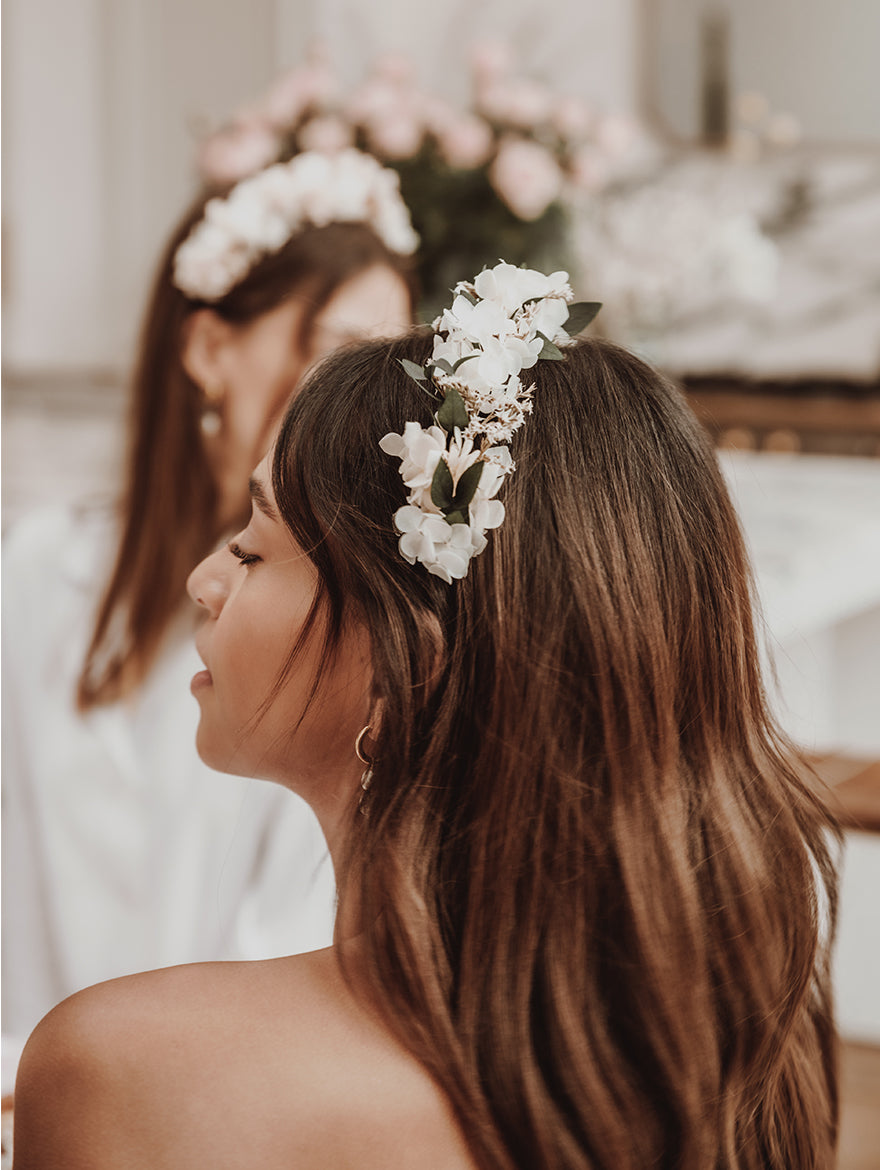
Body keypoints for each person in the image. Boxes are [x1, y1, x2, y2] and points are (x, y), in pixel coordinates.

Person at [13, 264, 838, 1169]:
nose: (204, 580)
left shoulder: (123, 1072)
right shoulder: (741, 1042)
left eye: (252, 549)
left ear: (403, 669)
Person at [1, 149, 418, 1051]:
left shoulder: (354, 622)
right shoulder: (39, 572)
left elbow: (311, 938)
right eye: (337, 350)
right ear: (207, 348)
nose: (364, 401)